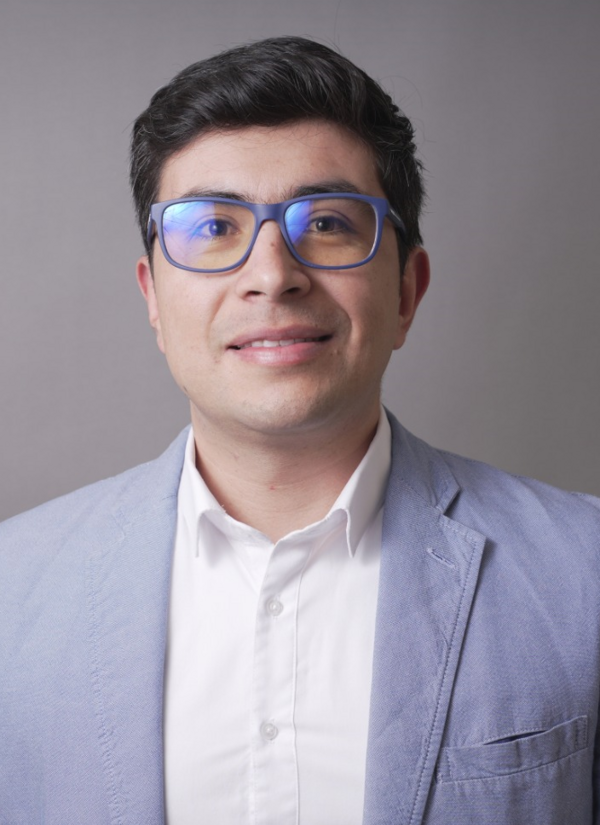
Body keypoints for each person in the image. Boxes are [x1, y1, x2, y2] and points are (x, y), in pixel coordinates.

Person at [0, 36, 598, 825]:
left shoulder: (585, 573)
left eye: (326, 221)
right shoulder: (12, 591)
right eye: (213, 226)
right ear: (153, 298)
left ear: (407, 292)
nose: (272, 274)